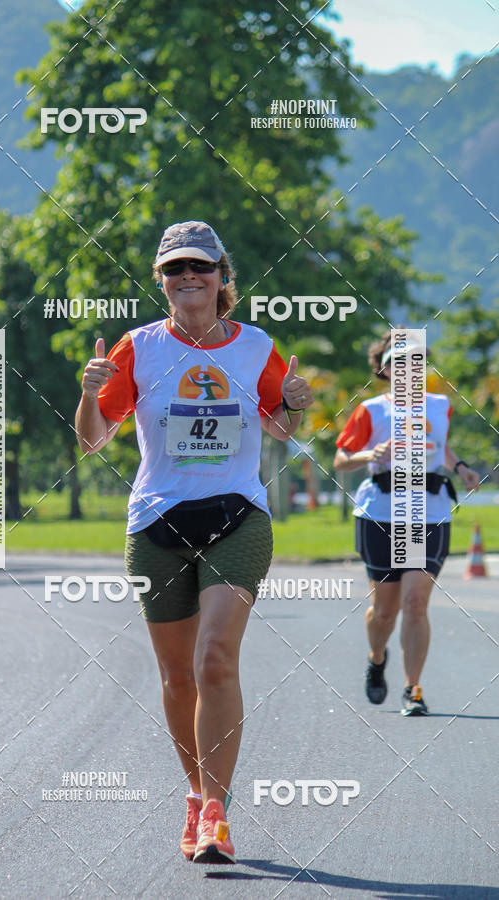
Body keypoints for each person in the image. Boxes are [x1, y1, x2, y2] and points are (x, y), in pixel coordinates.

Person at [75, 221, 313, 863]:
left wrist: (295, 402)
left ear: (221, 276)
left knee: (214, 659)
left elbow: (282, 428)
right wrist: (90, 395)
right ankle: (195, 791)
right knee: (178, 677)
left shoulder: (255, 346)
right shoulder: (138, 347)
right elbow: (93, 440)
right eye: (175, 268)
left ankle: (216, 813)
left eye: (200, 267)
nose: (188, 277)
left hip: (237, 517)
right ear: (161, 280)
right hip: (156, 526)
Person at [333, 330, 480, 716]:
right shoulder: (371, 410)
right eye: (399, 362)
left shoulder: (439, 406)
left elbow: (440, 446)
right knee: (384, 611)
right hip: (381, 513)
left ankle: (412, 690)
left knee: (415, 602)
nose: (409, 369)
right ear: (384, 370)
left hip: (427, 512)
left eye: (416, 361)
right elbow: (341, 460)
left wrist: (461, 467)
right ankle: (376, 657)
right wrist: (369, 454)